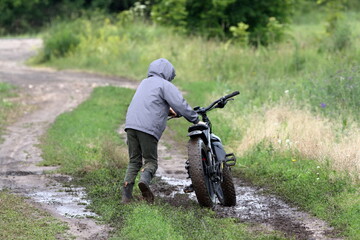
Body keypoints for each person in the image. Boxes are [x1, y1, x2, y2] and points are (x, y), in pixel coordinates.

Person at [122, 58, 201, 203]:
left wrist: (169, 111)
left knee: (134, 161)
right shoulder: (165, 84)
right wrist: (195, 119)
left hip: (131, 126)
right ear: (168, 73)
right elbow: (180, 104)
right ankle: (144, 182)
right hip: (147, 129)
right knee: (151, 161)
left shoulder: (144, 83)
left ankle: (126, 196)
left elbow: (150, 103)